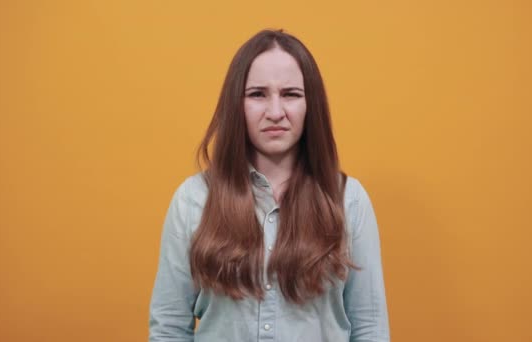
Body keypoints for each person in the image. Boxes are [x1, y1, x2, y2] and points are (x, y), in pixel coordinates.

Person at [149, 29, 389, 342]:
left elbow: (370, 330)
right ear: (236, 104)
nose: (275, 112)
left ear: (310, 105)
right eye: (257, 94)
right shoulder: (193, 200)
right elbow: (169, 330)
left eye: (290, 94)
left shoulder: (349, 201)